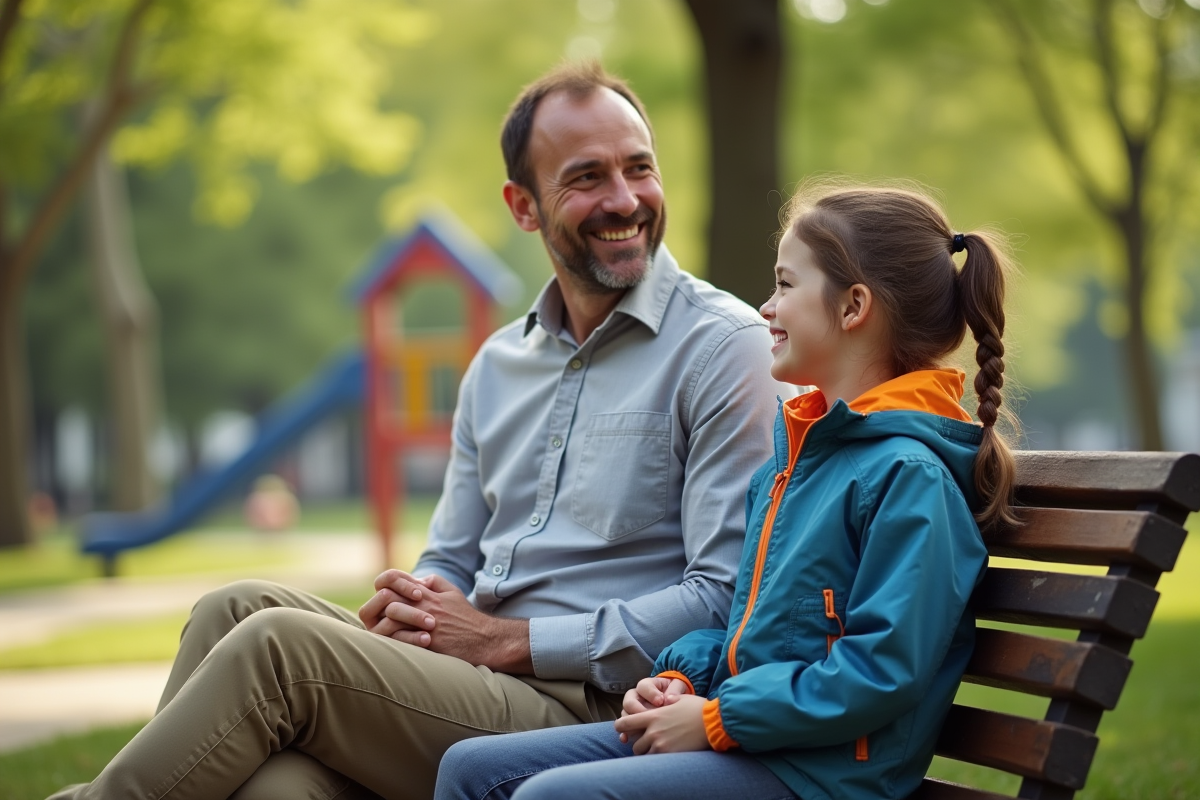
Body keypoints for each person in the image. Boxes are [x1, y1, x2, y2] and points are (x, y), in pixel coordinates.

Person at [48, 62, 788, 800]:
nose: (624, 199)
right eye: (587, 177)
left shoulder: (725, 347)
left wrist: (505, 641)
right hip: (467, 683)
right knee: (240, 640)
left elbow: (724, 596)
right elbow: (451, 560)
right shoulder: (497, 365)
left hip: (596, 703)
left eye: (639, 169)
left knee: (278, 650)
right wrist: (417, 603)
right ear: (524, 207)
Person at [433, 183, 1016, 800]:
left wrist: (718, 718)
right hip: (756, 742)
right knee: (470, 769)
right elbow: (759, 633)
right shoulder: (797, 459)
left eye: (787, 285)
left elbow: (880, 672)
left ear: (853, 308)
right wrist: (684, 680)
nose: (766, 308)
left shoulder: (908, 477)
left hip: (821, 776)